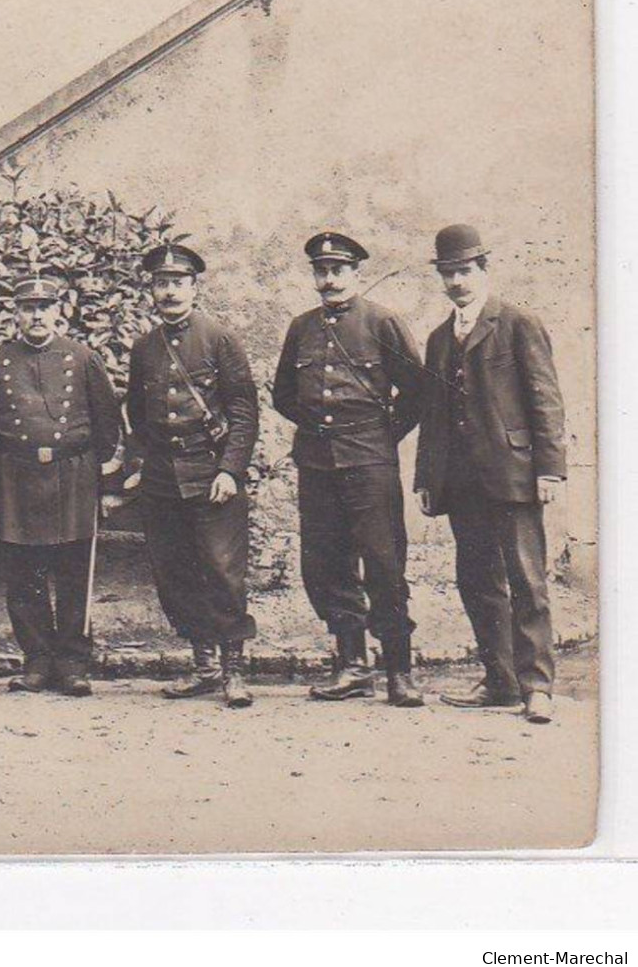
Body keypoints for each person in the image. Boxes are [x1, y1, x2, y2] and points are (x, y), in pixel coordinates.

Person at [414, 224, 567, 725]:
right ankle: (499, 680)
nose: (456, 281)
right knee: (477, 580)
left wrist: (550, 469)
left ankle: (537, 687)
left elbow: (545, 399)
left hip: (514, 474)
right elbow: (433, 414)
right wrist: (426, 477)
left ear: (483, 270)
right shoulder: (440, 338)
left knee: (527, 579)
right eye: (448, 273)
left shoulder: (518, 323)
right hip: (462, 483)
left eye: (464, 271)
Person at [271, 232, 426, 707]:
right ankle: (353, 666)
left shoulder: (383, 322)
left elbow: (417, 392)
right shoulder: (302, 327)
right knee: (326, 564)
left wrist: (377, 436)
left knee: (383, 563)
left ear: (355, 274)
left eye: (339, 270)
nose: (330, 279)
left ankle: (399, 670)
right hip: (317, 464)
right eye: (322, 270)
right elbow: (284, 396)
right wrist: (322, 432)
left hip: (369, 464)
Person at [0, 275, 124, 697]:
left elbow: (109, 426)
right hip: (16, 478)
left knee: (75, 572)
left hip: (73, 476)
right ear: (15, 314)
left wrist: (109, 486)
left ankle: (74, 662)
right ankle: (37, 660)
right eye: (27, 307)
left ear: (60, 311)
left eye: (45, 307)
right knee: (24, 575)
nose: (36, 315)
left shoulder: (84, 358)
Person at [123, 244, 259, 708]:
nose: (169, 292)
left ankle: (233, 672)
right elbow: (137, 415)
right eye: (161, 283)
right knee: (175, 573)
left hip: (211, 475)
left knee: (223, 572)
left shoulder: (219, 339)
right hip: (163, 479)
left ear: (194, 288)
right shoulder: (144, 348)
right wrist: (145, 464)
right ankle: (202, 668)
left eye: (178, 283)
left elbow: (243, 410)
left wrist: (230, 469)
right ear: (152, 291)